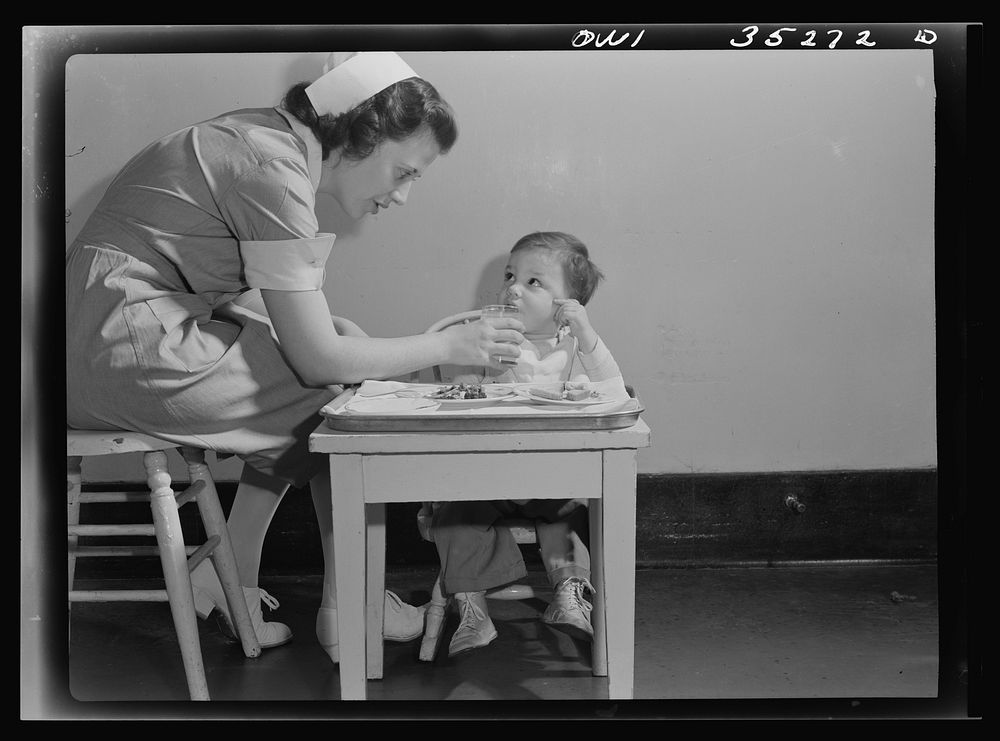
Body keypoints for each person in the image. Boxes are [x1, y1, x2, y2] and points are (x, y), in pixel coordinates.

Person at [65, 52, 525, 665]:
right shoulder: (273, 172)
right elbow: (316, 361)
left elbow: (296, 326)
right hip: (119, 347)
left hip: (98, 339)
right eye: (403, 171)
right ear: (364, 133)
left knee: (336, 356)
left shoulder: (258, 137)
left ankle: (233, 579)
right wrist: (446, 346)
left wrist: (346, 341)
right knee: (342, 404)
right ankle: (351, 608)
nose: (404, 195)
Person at [429, 231, 630, 656]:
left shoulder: (576, 348)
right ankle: (472, 610)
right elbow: (464, 391)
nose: (512, 288)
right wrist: (468, 379)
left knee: (569, 513)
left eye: (533, 282)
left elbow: (614, 393)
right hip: (488, 477)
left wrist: (588, 334)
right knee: (454, 515)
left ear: (567, 307)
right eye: (509, 275)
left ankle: (569, 595)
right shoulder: (491, 338)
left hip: (551, 477)